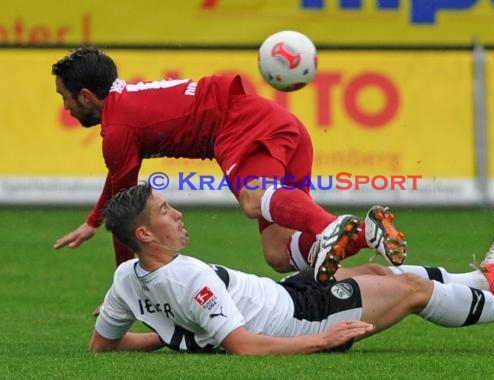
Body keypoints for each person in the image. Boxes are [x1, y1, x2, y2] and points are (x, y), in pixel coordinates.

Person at [51, 46, 407, 283]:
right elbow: (118, 185)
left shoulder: (118, 128)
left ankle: (331, 225)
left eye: (64, 97)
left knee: (253, 200)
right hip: (276, 123)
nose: (65, 108)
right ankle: (368, 233)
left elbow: (126, 213)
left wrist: (125, 288)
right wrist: (93, 222)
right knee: (279, 254)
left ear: (85, 95)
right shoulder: (125, 102)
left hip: (243, 125)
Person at [90, 183, 494, 354]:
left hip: (285, 293)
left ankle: (480, 281)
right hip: (301, 321)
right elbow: (244, 346)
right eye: (166, 211)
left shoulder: (125, 278)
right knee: (411, 289)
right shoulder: (187, 275)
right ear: (145, 235)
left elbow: (102, 345)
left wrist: (169, 336)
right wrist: (322, 340)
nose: (178, 215)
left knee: (374, 273)